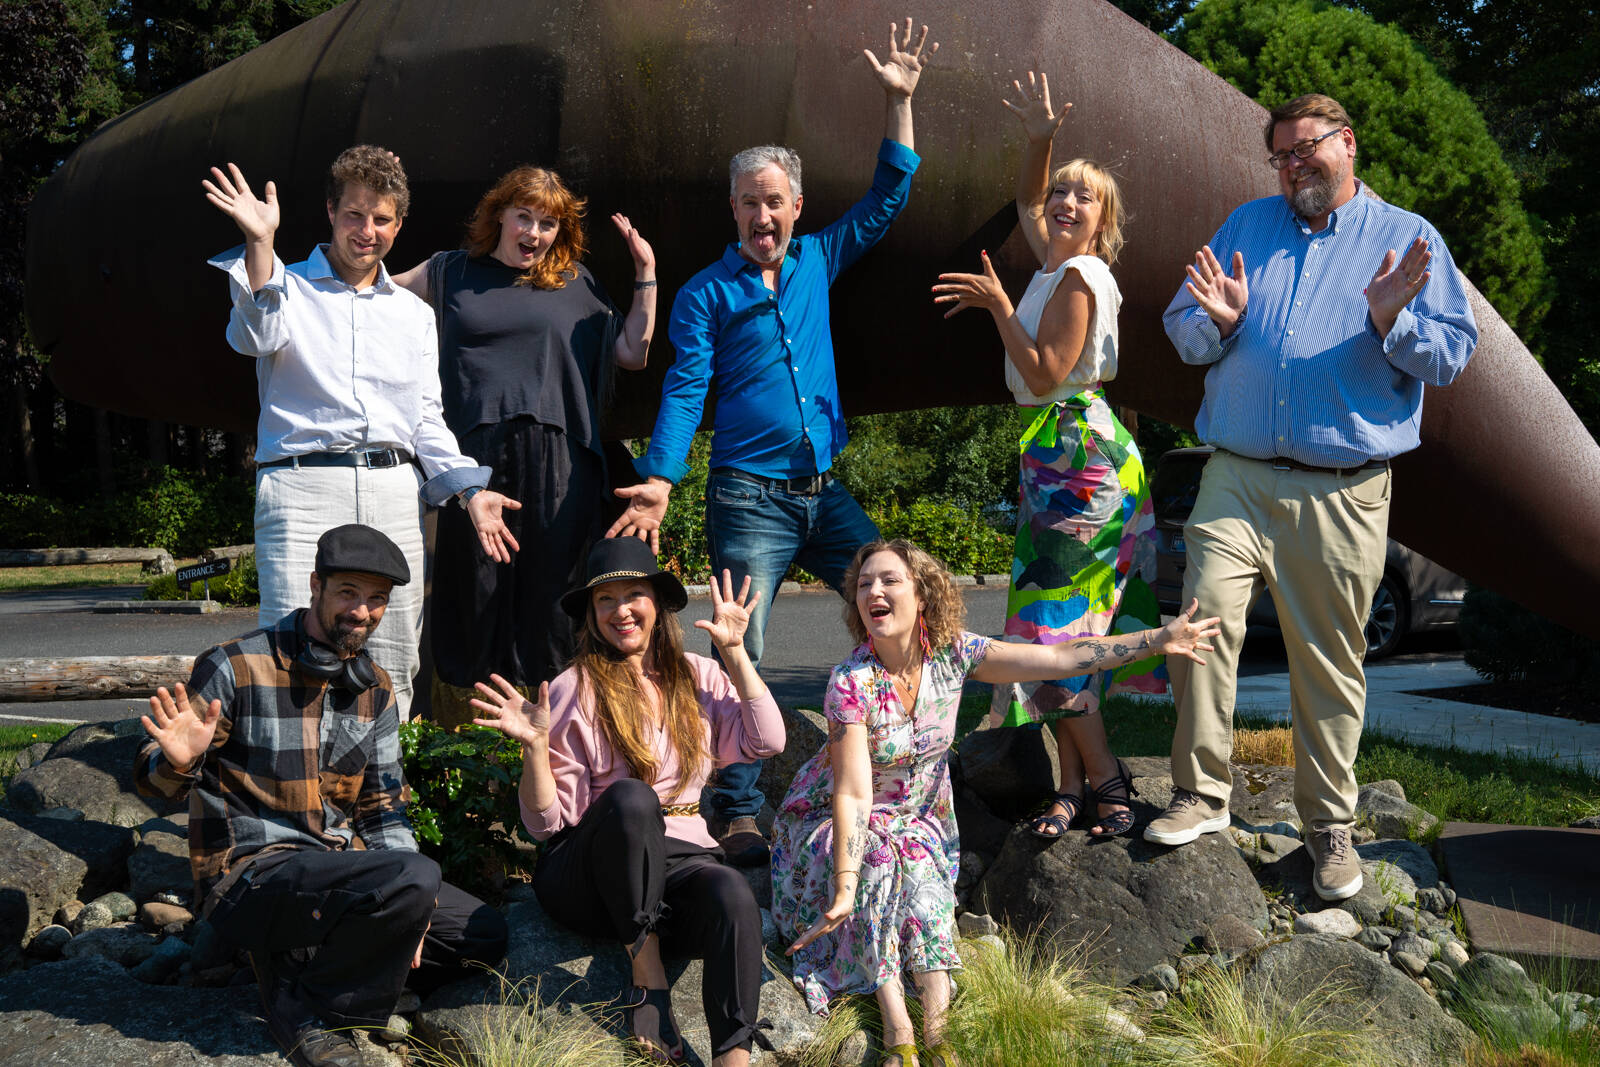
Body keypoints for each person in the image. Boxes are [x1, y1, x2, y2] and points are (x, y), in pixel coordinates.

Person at [605, 17, 938, 866]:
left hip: (823, 492)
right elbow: (684, 388)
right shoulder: (705, 295)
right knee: (738, 644)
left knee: (898, 603)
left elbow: (890, 195)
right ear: (735, 211)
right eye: (749, 202)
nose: (763, 214)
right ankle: (737, 804)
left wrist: (898, 103)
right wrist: (661, 479)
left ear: (796, 208)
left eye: (775, 201)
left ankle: (902, 757)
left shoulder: (818, 259)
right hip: (748, 494)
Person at [1152, 93, 1478, 900]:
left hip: (1344, 490)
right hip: (1236, 472)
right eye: (1282, 155)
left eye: (1308, 149)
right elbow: (1181, 324)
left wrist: (1390, 322)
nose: (1295, 165)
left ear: (1348, 144)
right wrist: (1221, 325)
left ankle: (1329, 827)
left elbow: (1451, 358)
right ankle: (1199, 793)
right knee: (1201, 625)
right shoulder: (1248, 225)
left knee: (1329, 664)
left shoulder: (1409, 238)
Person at [770, 539, 1219, 1067]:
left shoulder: (957, 653)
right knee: (877, 858)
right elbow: (852, 793)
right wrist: (843, 882)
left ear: (923, 593)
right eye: (864, 584)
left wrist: (1156, 640)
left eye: (889, 579)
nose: (874, 591)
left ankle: (938, 1037)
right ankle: (899, 1033)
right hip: (835, 822)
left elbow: (1057, 657)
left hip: (917, 819)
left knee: (916, 873)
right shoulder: (852, 682)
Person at [134, 524, 508, 1067]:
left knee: (482, 937)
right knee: (412, 880)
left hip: (336, 872)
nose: (363, 611)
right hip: (249, 876)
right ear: (315, 586)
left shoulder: (375, 686)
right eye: (348, 593)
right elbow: (151, 787)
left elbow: (382, 809)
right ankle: (307, 1009)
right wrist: (178, 760)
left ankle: (294, 958)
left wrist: (415, 906)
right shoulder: (233, 666)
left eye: (377, 599)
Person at [202, 145, 520, 717]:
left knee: (394, 655)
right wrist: (258, 243)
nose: (366, 231)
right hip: (302, 487)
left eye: (381, 219)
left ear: (399, 224)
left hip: (394, 491)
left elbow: (425, 420)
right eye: (354, 214)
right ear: (330, 210)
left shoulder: (414, 315)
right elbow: (255, 334)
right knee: (290, 649)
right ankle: (291, 796)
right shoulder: (283, 283)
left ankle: (381, 796)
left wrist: (469, 491)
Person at [931, 71, 1164, 841]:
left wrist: (998, 308)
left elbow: (1041, 375)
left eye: (1083, 198)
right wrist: (1041, 139)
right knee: (1057, 632)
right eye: (1062, 192)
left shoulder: (1078, 276)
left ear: (1102, 223)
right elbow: (1029, 198)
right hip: (1057, 457)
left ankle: (1105, 778)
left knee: (1053, 632)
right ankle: (1069, 787)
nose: (1063, 202)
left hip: (1081, 457)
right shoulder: (1054, 264)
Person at [469, 537, 785, 1066]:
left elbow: (768, 741)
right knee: (633, 798)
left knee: (732, 890)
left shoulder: (697, 676)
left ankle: (735, 1055)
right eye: (604, 600)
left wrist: (733, 653)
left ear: (657, 603)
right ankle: (648, 979)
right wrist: (535, 750)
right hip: (589, 878)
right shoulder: (574, 686)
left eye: (634, 594)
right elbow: (547, 826)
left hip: (677, 864)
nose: (621, 611)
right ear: (590, 615)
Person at [392, 168, 655, 722]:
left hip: (558, 460)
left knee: (551, 600)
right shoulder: (449, 272)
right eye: (524, 218)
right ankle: (469, 742)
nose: (535, 233)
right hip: (473, 460)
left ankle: (557, 734)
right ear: (500, 217)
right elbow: (371, 293)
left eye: (549, 223)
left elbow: (633, 351)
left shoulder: (575, 282)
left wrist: (646, 274)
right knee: (474, 595)